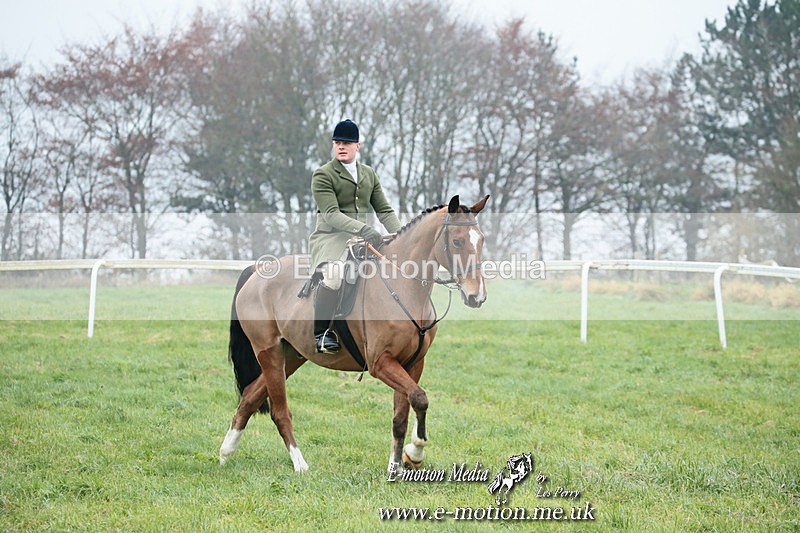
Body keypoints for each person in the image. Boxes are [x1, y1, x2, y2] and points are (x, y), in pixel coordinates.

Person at [308, 119, 402, 353]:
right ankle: (321, 334)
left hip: (362, 240)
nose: (341, 146)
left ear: (357, 146)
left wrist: (400, 235)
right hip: (331, 239)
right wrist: (363, 230)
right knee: (334, 276)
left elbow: (384, 210)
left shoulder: (368, 174)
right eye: (337, 142)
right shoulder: (323, 174)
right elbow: (330, 214)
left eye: (347, 143)